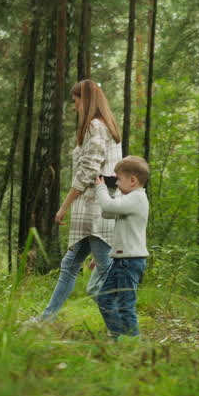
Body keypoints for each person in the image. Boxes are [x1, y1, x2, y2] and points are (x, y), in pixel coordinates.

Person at [31, 79, 123, 322]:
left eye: (75, 101)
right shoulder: (107, 127)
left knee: (105, 275)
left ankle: (123, 330)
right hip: (96, 211)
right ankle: (47, 318)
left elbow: (88, 171)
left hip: (96, 212)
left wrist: (64, 205)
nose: (74, 107)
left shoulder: (95, 126)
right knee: (70, 265)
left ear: (86, 100)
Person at [92, 156, 150, 339]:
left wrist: (101, 187)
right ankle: (117, 335)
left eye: (119, 179)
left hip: (130, 261)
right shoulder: (130, 199)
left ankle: (133, 341)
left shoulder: (138, 198)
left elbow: (107, 205)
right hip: (121, 260)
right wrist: (116, 191)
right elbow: (107, 212)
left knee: (126, 305)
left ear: (132, 180)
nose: (116, 183)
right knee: (104, 298)